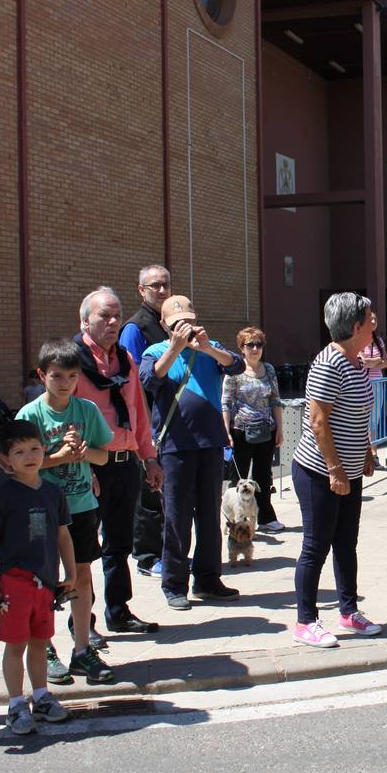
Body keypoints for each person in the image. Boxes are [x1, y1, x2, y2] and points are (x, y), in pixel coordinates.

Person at [16, 340, 115, 685]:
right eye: (57, 376)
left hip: (81, 506)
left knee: (82, 575)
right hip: (40, 510)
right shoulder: (30, 415)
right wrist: (59, 456)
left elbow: (104, 456)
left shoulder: (87, 411)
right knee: (42, 580)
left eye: (72, 376)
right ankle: (44, 647)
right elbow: (18, 466)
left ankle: (82, 649)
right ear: (42, 375)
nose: (65, 383)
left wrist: (85, 453)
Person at [289, 293, 382, 647]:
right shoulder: (330, 362)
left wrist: (368, 451)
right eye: (370, 316)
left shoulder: (356, 361)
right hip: (320, 471)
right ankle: (305, 621)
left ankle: (348, 611)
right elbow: (317, 421)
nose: (375, 320)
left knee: (346, 542)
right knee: (316, 545)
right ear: (356, 325)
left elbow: (356, 415)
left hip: (350, 468)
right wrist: (335, 468)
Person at [140, 294, 243, 610]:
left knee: (210, 516)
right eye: (176, 324)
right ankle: (174, 584)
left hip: (210, 443)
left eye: (188, 321)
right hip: (175, 446)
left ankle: (208, 578)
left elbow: (236, 364)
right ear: (164, 325)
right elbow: (147, 379)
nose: (184, 328)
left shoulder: (210, 348)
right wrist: (174, 348)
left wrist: (207, 348)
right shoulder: (156, 352)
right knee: (177, 518)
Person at [74, 288, 163, 637]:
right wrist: (81, 464)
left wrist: (150, 459)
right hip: (88, 466)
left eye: (116, 315)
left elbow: (139, 414)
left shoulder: (125, 359)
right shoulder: (73, 360)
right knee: (83, 551)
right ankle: (83, 622)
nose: (113, 322)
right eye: (104, 316)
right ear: (85, 321)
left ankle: (118, 610)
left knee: (119, 543)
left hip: (125, 464)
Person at [0, 420, 75, 735]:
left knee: (39, 643)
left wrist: (71, 572)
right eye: (19, 451)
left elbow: (63, 536)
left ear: (44, 449)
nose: (29, 456)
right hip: (13, 582)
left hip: (46, 583)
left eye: (34, 448)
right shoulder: (1, 497)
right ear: (6, 459)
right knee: (15, 644)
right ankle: (16, 703)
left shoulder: (53, 493)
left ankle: (42, 696)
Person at [121, 264, 172, 577]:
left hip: (169, 421)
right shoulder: (136, 328)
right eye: (155, 286)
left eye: (166, 284)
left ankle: (168, 552)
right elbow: (133, 381)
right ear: (141, 290)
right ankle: (146, 557)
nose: (162, 291)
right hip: (148, 424)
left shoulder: (168, 323)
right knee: (149, 493)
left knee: (166, 491)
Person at [222, 326, 284, 532]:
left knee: (263, 476)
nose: (255, 349)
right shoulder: (235, 371)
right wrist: (226, 431)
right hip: (241, 430)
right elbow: (226, 402)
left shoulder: (269, 370)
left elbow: (275, 400)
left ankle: (265, 518)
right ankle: (234, 520)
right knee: (237, 477)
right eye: (250, 345)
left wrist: (280, 429)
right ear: (242, 348)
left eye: (259, 345)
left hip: (265, 430)